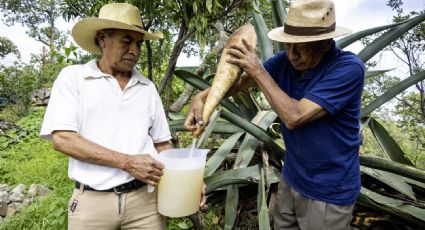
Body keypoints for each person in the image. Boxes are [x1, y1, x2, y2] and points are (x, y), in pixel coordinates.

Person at [184, 0, 365, 229]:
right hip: (293, 177)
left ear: (325, 43)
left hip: (327, 191)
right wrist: (201, 97)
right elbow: (239, 83)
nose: (292, 55)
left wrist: (257, 68)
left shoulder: (347, 69)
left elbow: (294, 117)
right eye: (288, 45)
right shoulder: (284, 63)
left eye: (301, 47)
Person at [40, 3, 175, 229]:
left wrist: (183, 181)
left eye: (139, 43)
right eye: (126, 41)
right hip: (92, 205)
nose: (135, 50)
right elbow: (62, 139)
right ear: (103, 39)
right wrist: (128, 162)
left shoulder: (147, 87)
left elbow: (163, 144)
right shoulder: (74, 78)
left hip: (145, 203)